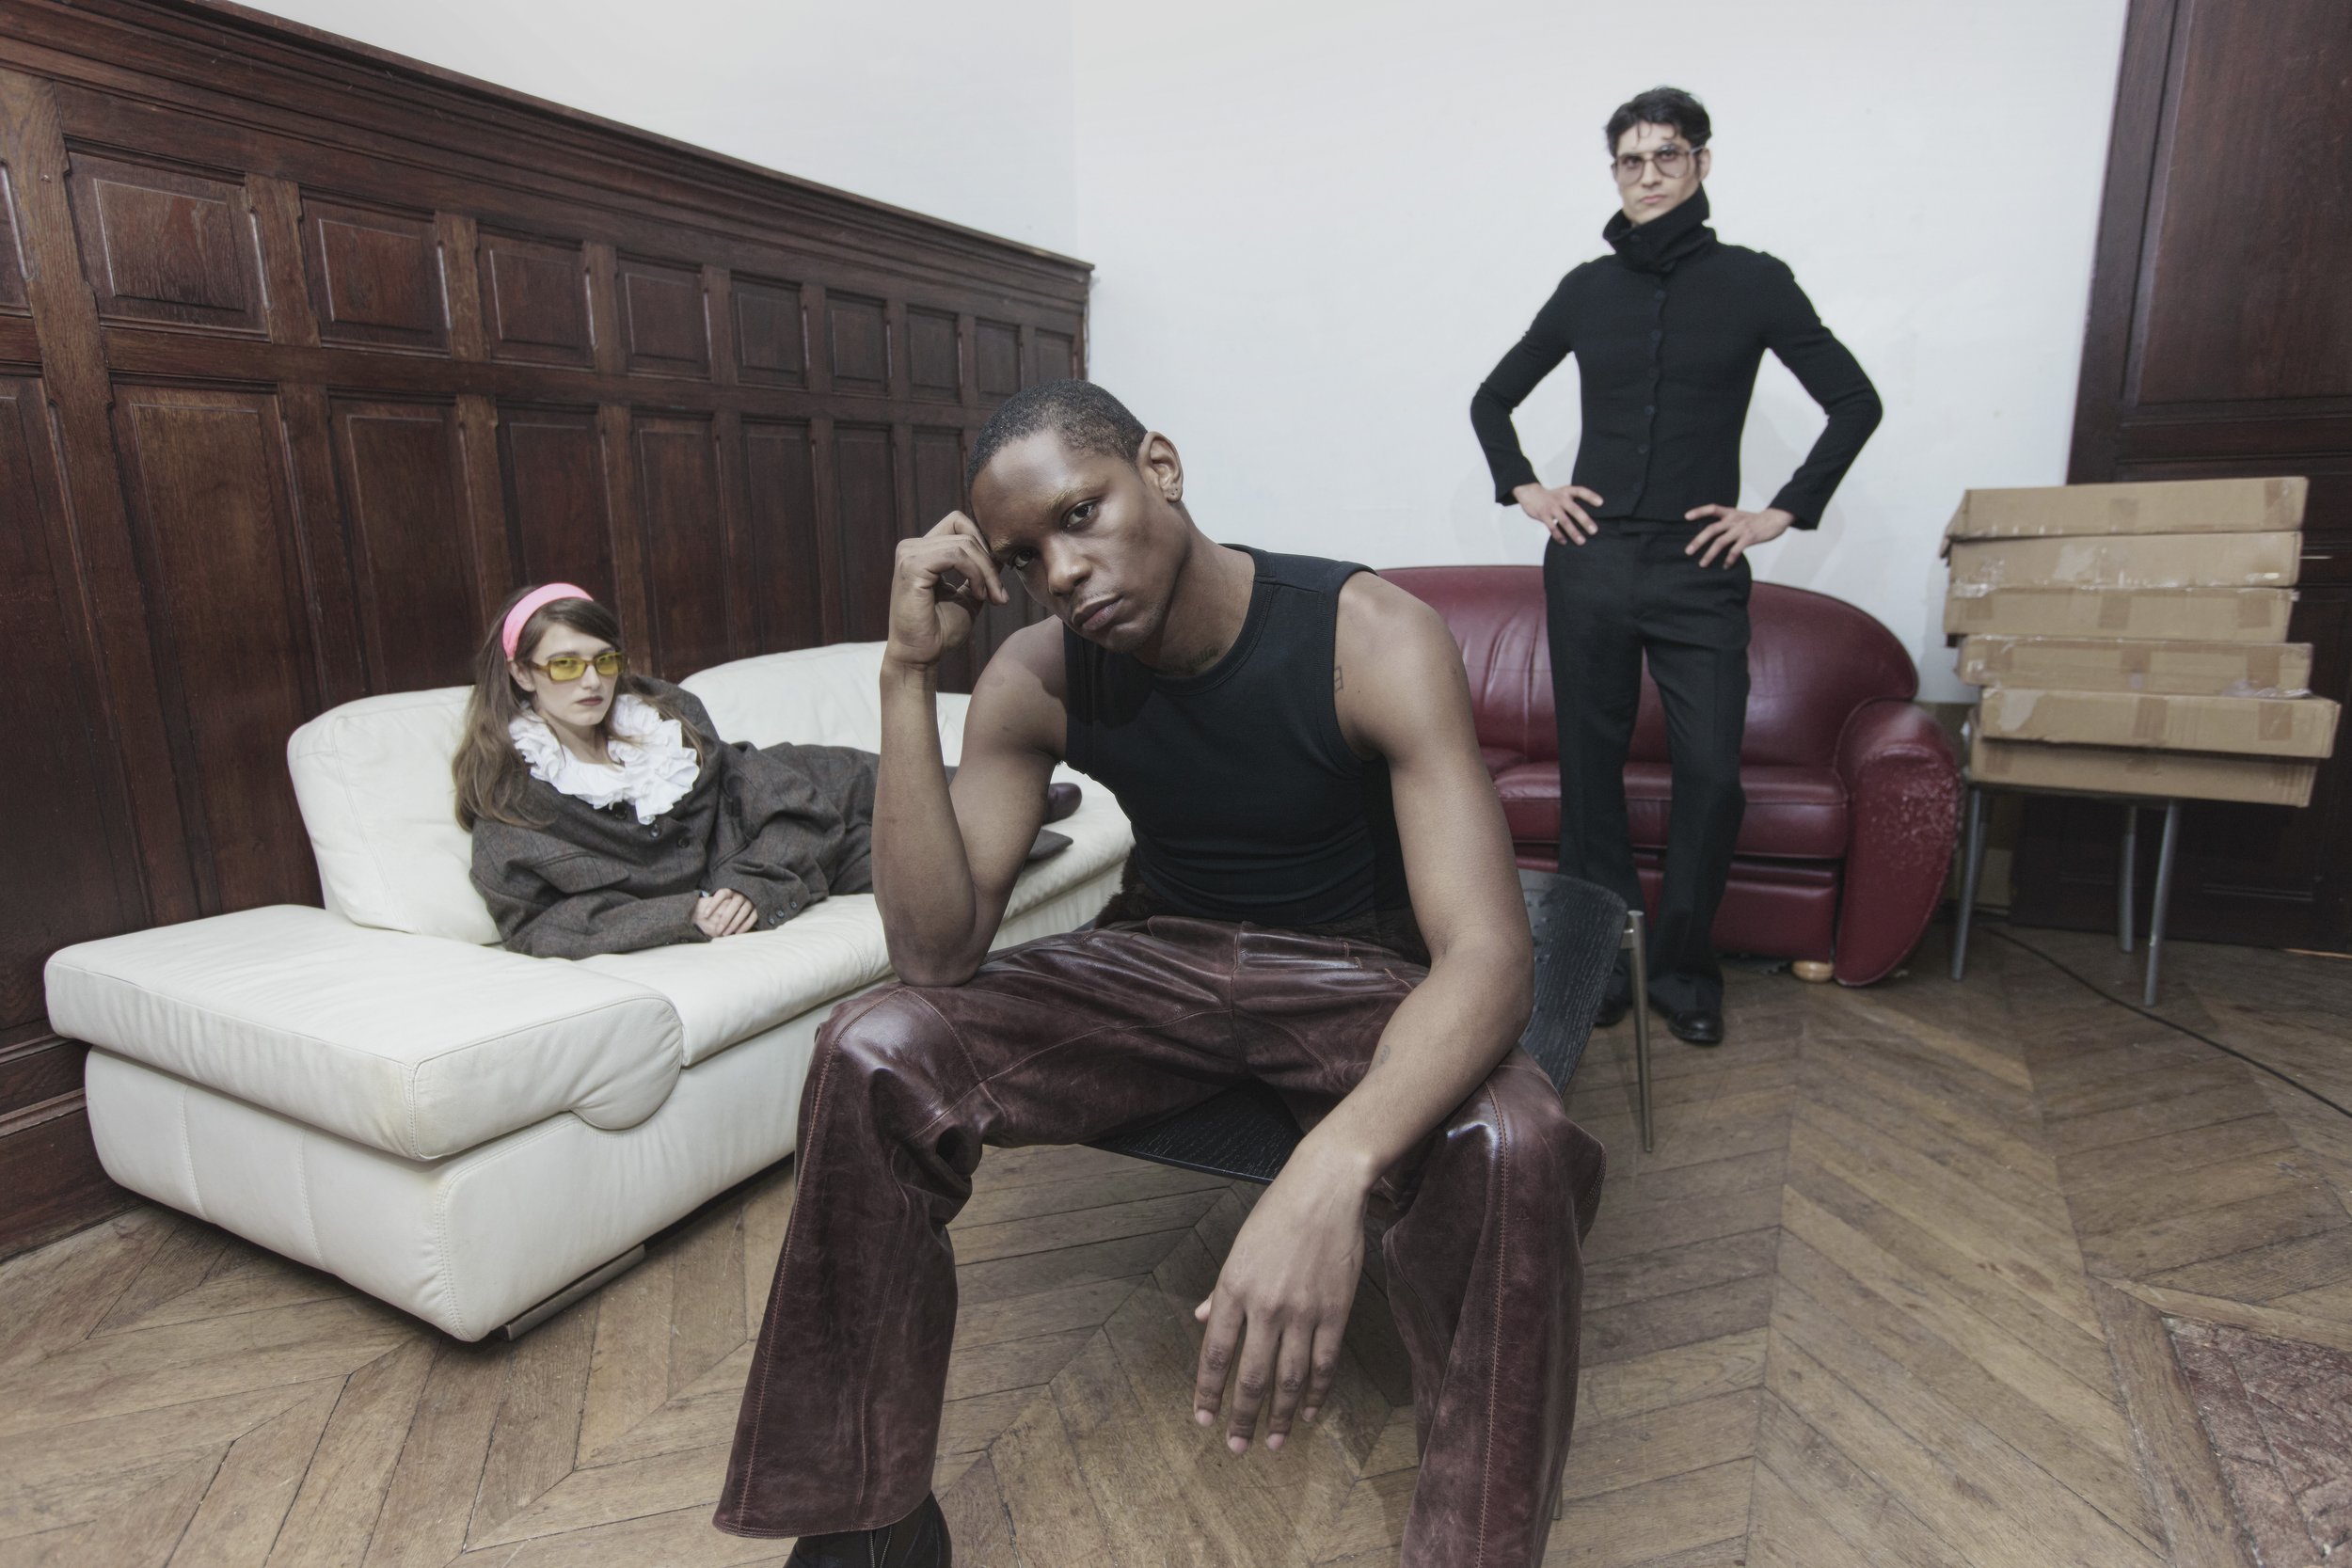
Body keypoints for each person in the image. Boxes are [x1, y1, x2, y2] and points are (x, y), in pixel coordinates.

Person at [714, 381, 1604, 1568]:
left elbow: (1491, 956)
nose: (1064, 572)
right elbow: (934, 954)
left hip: (1357, 977)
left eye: (1082, 513)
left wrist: (1326, 1167)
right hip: (1162, 960)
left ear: (1162, 469)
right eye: (1028, 557)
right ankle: (866, 1527)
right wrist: (903, 675)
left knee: (1517, 1139)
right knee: (873, 1043)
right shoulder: (1035, 676)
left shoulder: (1369, 634)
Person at [1470, 85, 1881, 1045]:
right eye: (1629, 160)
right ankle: (1598, 960)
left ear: (1700, 163)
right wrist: (1526, 487)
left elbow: (1852, 399)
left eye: (1665, 156)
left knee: (1710, 772)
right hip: (1592, 562)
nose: (1646, 174)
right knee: (1591, 767)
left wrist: (1781, 512)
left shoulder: (1754, 282)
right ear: (1613, 171)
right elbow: (1492, 400)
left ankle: (1687, 969)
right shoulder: (1584, 289)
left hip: (1699, 570)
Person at [456, 583, 1075, 958]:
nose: (591, 681)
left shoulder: (665, 720)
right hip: (784, 847)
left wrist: (752, 880)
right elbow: (535, 924)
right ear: (521, 673)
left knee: (899, 781)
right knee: (956, 855)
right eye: (564, 665)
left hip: (780, 794)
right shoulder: (518, 806)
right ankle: (1028, 806)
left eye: (603, 659)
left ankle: (1033, 792)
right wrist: (688, 913)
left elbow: (756, 787)